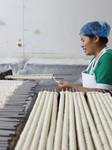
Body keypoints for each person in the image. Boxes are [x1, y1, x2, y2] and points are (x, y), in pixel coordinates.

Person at [58, 21, 112, 92]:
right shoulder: (95, 59)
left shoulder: (107, 57)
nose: (81, 45)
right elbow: (88, 85)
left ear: (96, 38)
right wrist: (68, 86)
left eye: (83, 40)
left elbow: (103, 91)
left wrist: (72, 86)